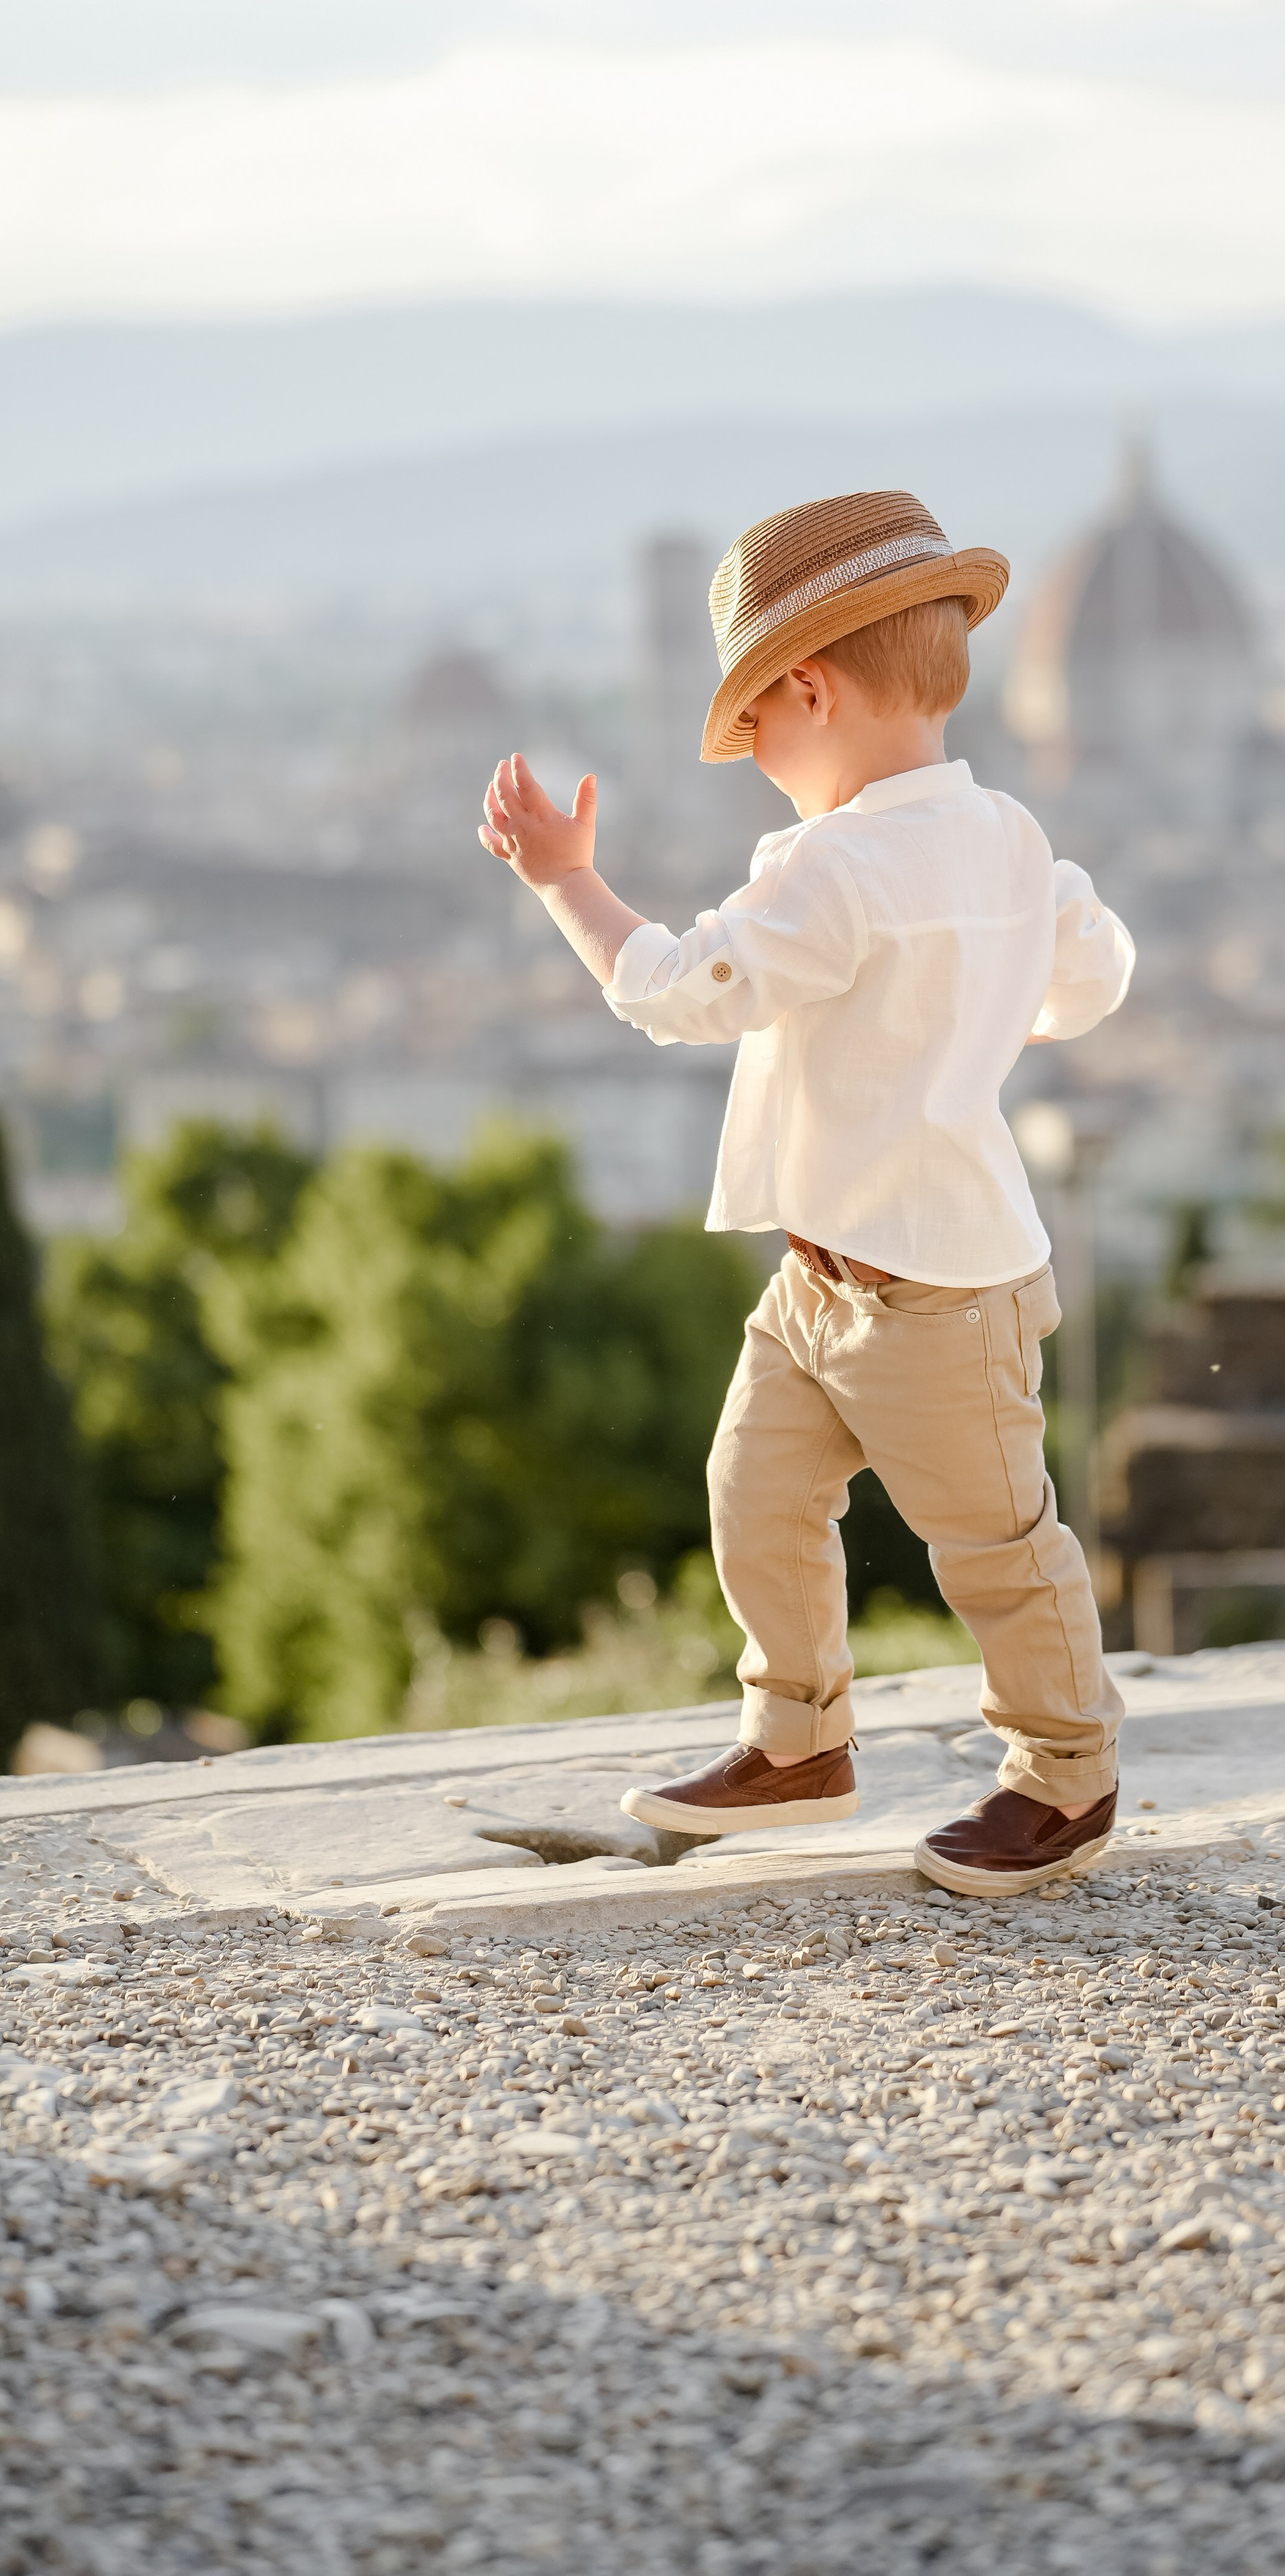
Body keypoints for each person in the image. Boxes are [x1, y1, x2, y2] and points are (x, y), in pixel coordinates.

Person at [478, 488, 1134, 1898]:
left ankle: (1066, 1775)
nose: (753, 759)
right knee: (765, 1487)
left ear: (813, 692)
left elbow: (678, 990)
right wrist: (986, 1004)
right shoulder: (1009, 838)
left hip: (932, 1295)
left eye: (753, 727)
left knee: (990, 1544)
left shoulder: (840, 867)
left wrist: (567, 883)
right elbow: (1093, 976)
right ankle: (797, 1746)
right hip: (836, 1277)